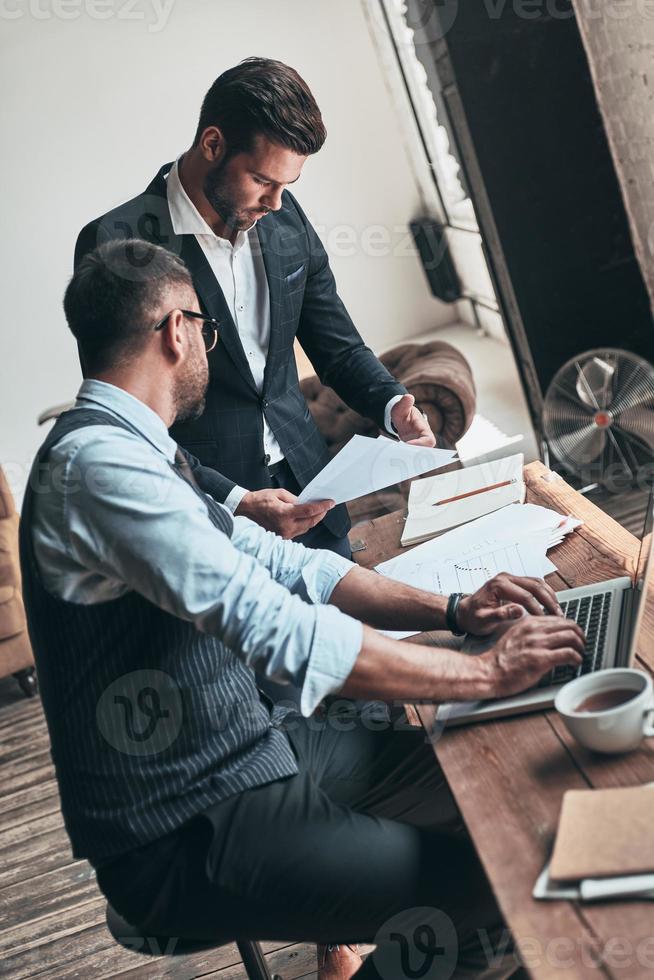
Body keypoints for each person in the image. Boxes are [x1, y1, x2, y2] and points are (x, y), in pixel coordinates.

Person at [22, 241, 584, 980]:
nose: (207, 352)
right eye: (206, 331)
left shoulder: (142, 452)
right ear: (175, 331)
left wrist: (454, 610)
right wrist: (485, 675)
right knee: (503, 894)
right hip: (186, 826)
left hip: (252, 749)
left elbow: (291, 567)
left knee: (494, 794)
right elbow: (280, 632)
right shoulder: (100, 472)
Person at [74, 57, 436, 561]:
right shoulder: (118, 242)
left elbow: (338, 346)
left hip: (314, 491)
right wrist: (235, 500)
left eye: (289, 185)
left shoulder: (285, 221)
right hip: (209, 516)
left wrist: (391, 404)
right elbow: (128, 419)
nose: (277, 202)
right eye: (263, 180)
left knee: (353, 637)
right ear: (213, 144)